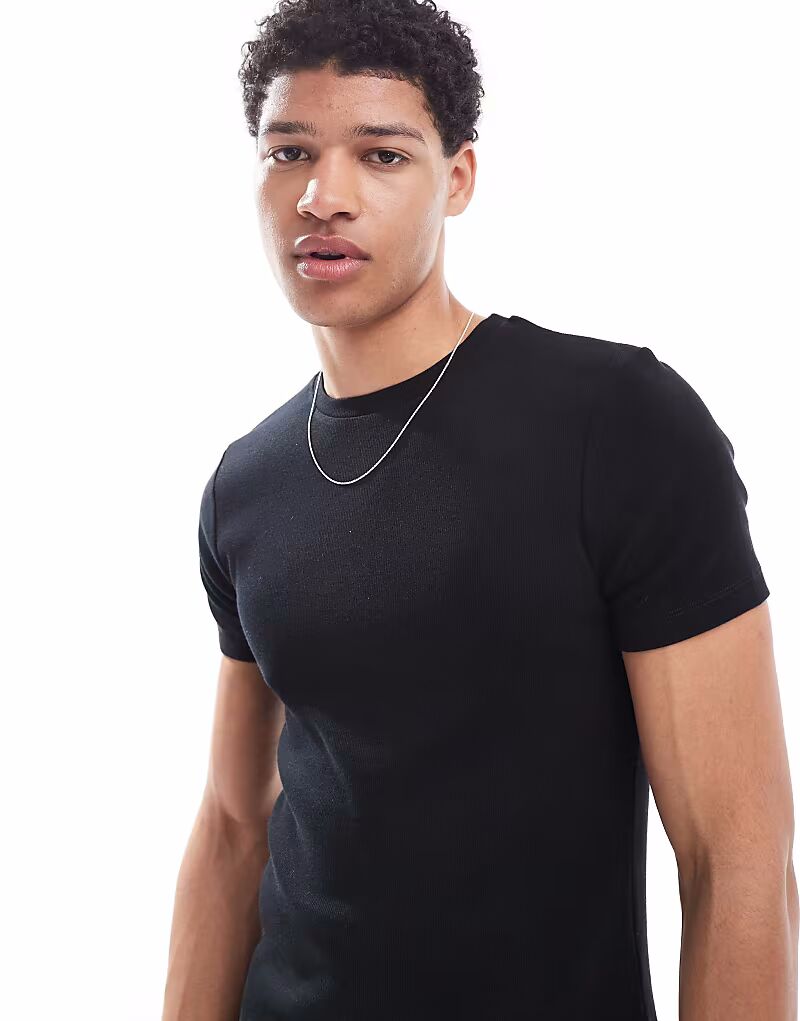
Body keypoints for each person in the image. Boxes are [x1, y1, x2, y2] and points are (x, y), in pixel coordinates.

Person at [162, 1, 798, 1019]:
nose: (322, 196)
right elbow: (234, 828)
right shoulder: (247, 481)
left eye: (381, 155)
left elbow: (736, 854)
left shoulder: (616, 423)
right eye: (290, 152)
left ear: (457, 178)